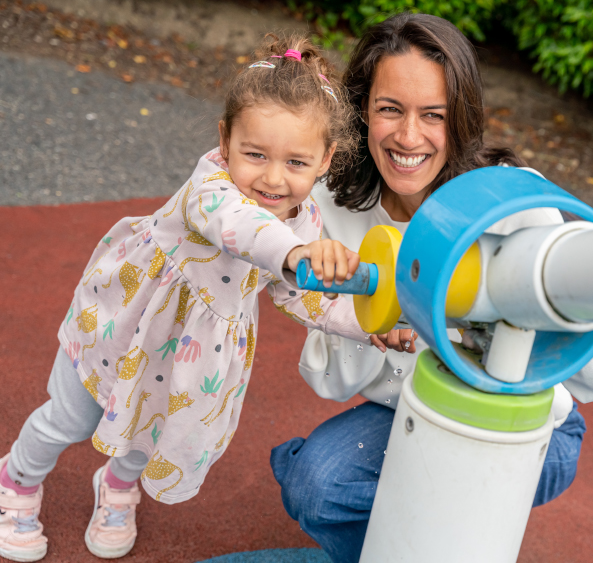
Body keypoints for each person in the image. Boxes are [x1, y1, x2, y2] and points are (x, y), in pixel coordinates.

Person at [0, 34, 412, 563]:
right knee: (71, 417)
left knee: (153, 425)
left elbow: (304, 298)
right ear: (225, 140)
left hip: (191, 353)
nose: (271, 177)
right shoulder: (212, 188)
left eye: (295, 163)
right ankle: (17, 479)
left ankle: (119, 484)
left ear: (326, 159)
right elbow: (241, 229)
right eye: (255, 154)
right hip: (123, 324)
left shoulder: (305, 219)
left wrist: (367, 324)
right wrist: (295, 255)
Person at [270, 13, 593, 563]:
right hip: (412, 411)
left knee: (450, 495)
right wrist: (369, 328)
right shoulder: (332, 211)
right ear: (361, 112)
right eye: (389, 109)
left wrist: (543, 293)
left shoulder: (513, 203)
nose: (408, 137)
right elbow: (326, 380)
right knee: (317, 487)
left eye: (433, 116)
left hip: (524, 419)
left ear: (460, 120)